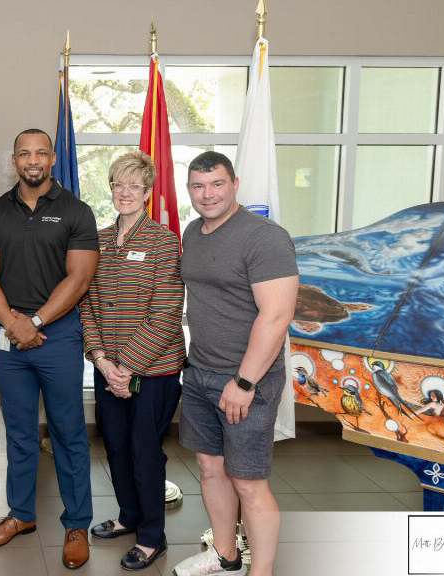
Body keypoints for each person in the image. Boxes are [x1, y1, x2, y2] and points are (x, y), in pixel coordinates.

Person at [0, 128, 99, 570]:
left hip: (58, 335)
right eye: (24, 152)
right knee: (20, 433)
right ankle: (21, 515)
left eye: (40, 153)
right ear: (14, 159)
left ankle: (77, 522)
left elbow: (79, 278)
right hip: (10, 336)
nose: (32, 160)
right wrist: (13, 324)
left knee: (68, 433)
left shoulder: (76, 212)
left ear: (52, 158)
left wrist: (37, 322)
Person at [172, 151, 298, 576]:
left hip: (248, 380)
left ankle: (259, 572)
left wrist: (243, 382)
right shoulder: (192, 232)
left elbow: (277, 315)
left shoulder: (264, 237)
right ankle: (225, 555)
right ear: (188, 189)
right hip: (200, 371)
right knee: (209, 468)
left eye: (217, 184)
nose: (207, 194)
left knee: (248, 480)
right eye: (198, 186)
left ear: (235, 184)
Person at [79, 151, 185, 571]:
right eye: (118, 185)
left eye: (134, 186)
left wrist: (127, 367)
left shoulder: (164, 242)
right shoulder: (98, 240)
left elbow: (165, 311)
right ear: (110, 188)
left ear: (147, 191)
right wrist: (102, 360)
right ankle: (128, 517)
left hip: (154, 371)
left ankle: (151, 536)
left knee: (144, 451)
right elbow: (86, 303)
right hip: (108, 369)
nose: (125, 192)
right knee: (116, 447)